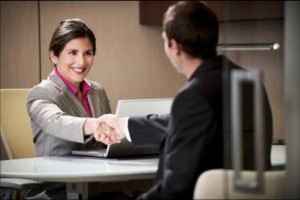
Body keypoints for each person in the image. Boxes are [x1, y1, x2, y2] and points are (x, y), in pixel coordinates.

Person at [96, 1, 273, 200]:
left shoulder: (194, 95)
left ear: (175, 46)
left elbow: (176, 189)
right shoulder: (250, 83)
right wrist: (122, 124)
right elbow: (192, 124)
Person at [25, 18, 114, 199]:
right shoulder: (41, 93)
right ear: (53, 55)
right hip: (58, 189)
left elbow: (107, 140)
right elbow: (56, 121)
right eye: (72, 52)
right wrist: (94, 125)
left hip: (97, 185)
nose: (81, 62)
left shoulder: (97, 91)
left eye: (88, 53)